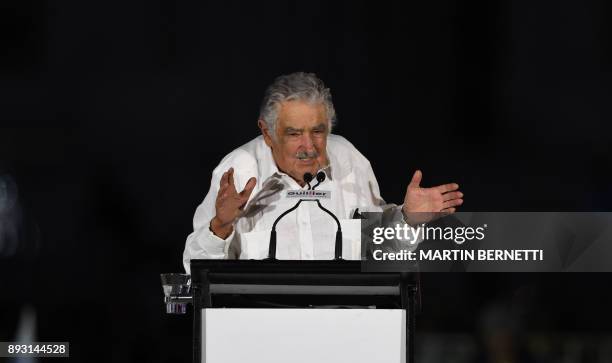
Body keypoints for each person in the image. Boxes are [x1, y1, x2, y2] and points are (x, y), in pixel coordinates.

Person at [183, 72, 463, 272]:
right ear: (267, 133)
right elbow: (193, 270)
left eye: (318, 131)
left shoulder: (350, 161)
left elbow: (381, 256)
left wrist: (407, 220)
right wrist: (220, 226)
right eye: (294, 134)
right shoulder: (239, 172)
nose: (309, 147)